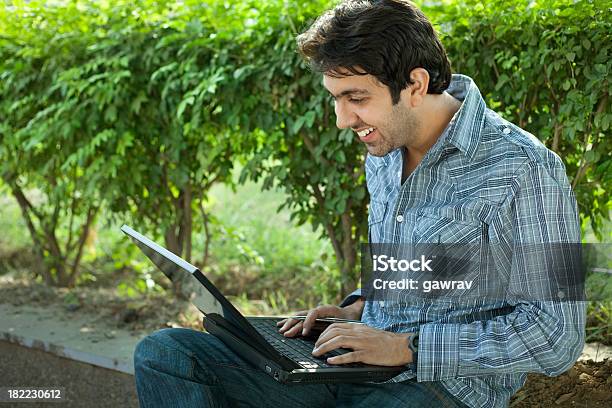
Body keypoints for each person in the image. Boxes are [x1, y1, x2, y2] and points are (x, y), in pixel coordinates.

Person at [133, 1, 585, 407]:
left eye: (356, 98)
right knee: (167, 354)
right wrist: (356, 308)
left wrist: (407, 347)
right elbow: (428, 269)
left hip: (441, 386)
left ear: (414, 85)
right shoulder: (387, 149)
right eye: (336, 98)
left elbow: (556, 335)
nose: (342, 120)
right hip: (352, 368)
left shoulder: (526, 169)